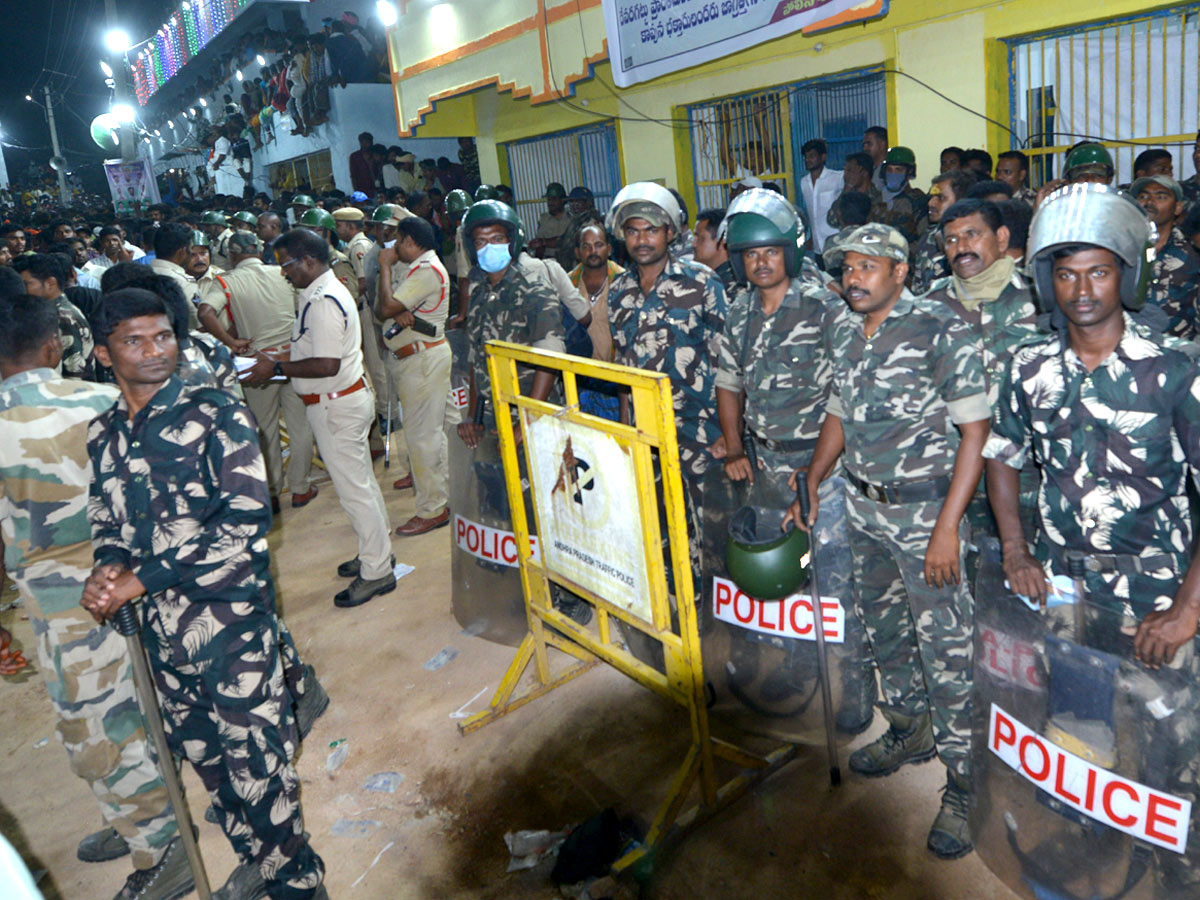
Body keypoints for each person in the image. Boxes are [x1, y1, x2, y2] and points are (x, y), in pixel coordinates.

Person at [83, 287, 329, 900]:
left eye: (163, 335)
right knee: (210, 762)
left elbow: (246, 518)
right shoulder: (104, 432)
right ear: (101, 352)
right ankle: (257, 863)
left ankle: (298, 882)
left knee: (258, 768)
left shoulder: (215, 411)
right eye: (133, 340)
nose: (153, 350)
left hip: (229, 623)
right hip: (162, 637)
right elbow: (107, 519)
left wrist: (143, 577)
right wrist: (109, 567)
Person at [984, 186, 1200, 883]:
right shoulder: (1028, 368)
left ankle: (1175, 865)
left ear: (1126, 275)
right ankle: (1098, 844)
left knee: (1171, 742)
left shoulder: (1176, 368)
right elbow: (1003, 460)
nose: (1081, 289)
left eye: (1099, 270)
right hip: (1066, 588)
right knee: (1081, 730)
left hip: (1156, 593)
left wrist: (1189, 609)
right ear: (1048, 280)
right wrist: (1016, 550)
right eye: (1067, 272)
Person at [793, 223, 988, 859]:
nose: (853, 277)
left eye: (867, 266)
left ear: (899, 272)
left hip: (927, 516)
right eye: (847, 267)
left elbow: (975, 436)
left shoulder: (939, 327)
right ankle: (910, 728)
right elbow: (840, 412)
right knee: (885, 629)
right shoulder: (845, 329)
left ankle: (965, 783)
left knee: (948, 651)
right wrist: (817, 476)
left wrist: (947, 528)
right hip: (863, 509)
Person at [0, 293, 187, 900]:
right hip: (143, 585)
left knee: (98, 733)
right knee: (158, 699)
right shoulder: (106, 399)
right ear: (55, 345)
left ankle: (160, 845)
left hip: (65, 612)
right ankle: (150, 811)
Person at [714, 190, 877, 734]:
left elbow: (843, 399)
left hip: (822, 469)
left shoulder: (826, 307)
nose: (761, 262)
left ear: (791, 251)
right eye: (750, 253)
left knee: (833, 580)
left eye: (771, 251)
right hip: (765, 465)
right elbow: (728, 381)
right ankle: (799, 662)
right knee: (780, 575)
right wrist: (735, 448)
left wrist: (815, 474)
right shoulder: (737, 311)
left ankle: (855, 683)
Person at [243, 229, 395, 608]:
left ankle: (377, 572)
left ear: (308, 261)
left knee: (354, 491)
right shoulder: (317, 294)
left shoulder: (323, 300)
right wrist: (277, 368)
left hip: (335, 405)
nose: (283, 273)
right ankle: (376, 552)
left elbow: (326, 364)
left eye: (286, 265)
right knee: (362, 485)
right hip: (340, 400)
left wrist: (275, 367)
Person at [922, 198, 1040, 580]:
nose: (960, 247)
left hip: (1030, 479)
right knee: (965, 587)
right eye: (951, 239)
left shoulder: (1041, 298)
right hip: (954, 477)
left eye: (972, 235)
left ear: (1002, 238)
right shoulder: (929, 308)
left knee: (1034, 597)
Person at [608, 182, 727, 512]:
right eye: (633, 231)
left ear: (670, 232)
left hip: (701, 428)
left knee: (710, 523)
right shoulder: (619, 289)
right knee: (656, 520)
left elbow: (729, 362)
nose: (642, 240)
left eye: (651, 231)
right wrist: (625, 424)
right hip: (645, 428)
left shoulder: (701, 282)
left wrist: (731, 433)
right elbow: (622, 362)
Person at [198, 230, 318, 509]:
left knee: (264, 429)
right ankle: (301, 488)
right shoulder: (282, 273)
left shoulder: (225, 281)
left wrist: (231, 342)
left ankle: (273, 492)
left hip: (254, 363)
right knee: (300, 425)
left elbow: (205, 312)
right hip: (291, 358)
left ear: (232, 254)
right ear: (259, 250)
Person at [457, 199, 564, 447]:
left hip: (537, 419)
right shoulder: (478, 295)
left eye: (496, 239)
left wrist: (527, 421)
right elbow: (475, 358)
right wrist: (472, 416)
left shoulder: (534, 290)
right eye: (481, 242)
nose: (488, 247)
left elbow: (551, 359)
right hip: (495, 417)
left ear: (512, 242)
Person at [377, 216, 453, 535]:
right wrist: (396, 307)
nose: (393, 248)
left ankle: (432, 508)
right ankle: (444, 496)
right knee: (435, 433)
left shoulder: (425, 271)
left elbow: (384, 308)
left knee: (422, 437)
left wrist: (384, 266)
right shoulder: (422, 268)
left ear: (410, 242)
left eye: (397, 242)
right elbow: (393, 308)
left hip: (421, 360)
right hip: (421, 358)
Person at [1133, 174, 1200, 339]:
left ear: (1178, 207)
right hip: (1129, 348)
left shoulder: (1192, 252)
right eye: (1143, 196)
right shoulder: (1120, 248)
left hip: (1178, 352)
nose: (1149, 202)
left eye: (1161, 196)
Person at [12, 255, 94, 380]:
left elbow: (75, 372)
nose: (22, 290)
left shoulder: (62, 317)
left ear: (50, 283)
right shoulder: (52, 311)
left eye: (27, 284)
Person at [910, 169, 977, 295]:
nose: (931, 203)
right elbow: (918, 287)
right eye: (931, 197)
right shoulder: (928, 235)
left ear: (961, 201)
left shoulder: (975, 240)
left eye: (941, 198)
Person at [568, 219, 624, 366]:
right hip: (578, 374)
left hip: (616, 375)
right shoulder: (568, 284)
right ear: (577, 252)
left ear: (609, 249)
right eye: (586, 246)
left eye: (598, 245)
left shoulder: (623, 282)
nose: (593, 252)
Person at [875, 146, 928, 249]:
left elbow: (924, 238)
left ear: (909, 172)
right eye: (889, 170)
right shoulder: (874, 198)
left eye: (898, 170)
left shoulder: (917, 200)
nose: (893, 174)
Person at [799, 138, 843, 251]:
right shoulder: (804, 182)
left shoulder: (837, 178)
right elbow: (812, 215)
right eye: (806, 157)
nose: (808, 160)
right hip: (817, 246)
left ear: (823, 157)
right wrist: (812, 238)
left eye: (812, 156)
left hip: (836, 244)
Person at [532, 183, 571, 257]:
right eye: (549, 200)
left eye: (554, 199)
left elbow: (567, 241)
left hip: (568, 261)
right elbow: (539, 246)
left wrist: (543, 242)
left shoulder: (571, 219)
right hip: (548, 261)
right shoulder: (544, 219)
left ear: (563, 200)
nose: (550, 203)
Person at [862, 126, 889, 192]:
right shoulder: (868, 169)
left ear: (882, 145)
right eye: (864, 145)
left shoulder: (889, 170)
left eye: (869, 144)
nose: (865, 149)